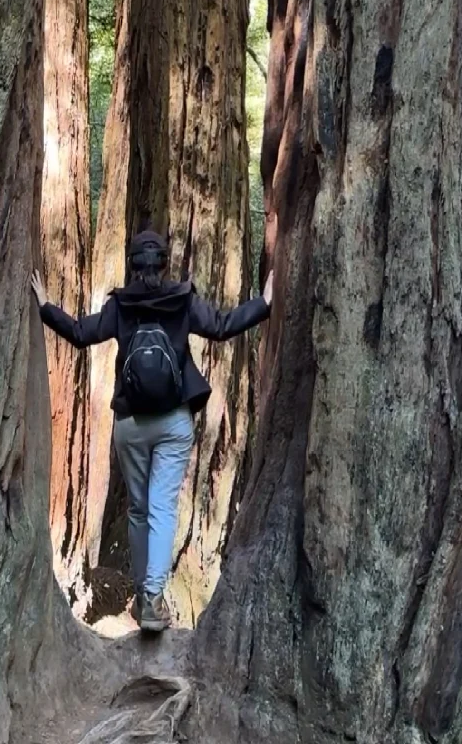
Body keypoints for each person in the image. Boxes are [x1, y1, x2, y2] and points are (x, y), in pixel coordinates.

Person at [31, 227, 273, 634]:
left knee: (139, 510)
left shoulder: (121, 306)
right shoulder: (182, 301)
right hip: (174, 421)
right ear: (164, 263)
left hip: (130, 423)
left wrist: (44, 306)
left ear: (131, 264)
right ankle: (151, 601)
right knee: (161, 509)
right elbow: (222, 325)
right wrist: (264, 303)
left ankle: (144, 595)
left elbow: (79, 333)